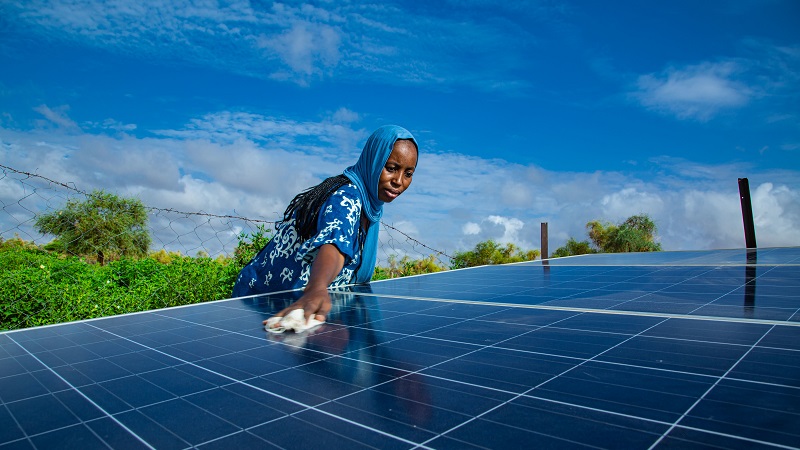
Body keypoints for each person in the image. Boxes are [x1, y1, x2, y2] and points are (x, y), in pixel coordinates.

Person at [232, 125, 419, 328]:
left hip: (298, 303)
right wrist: (318, 286)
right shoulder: (346, 198)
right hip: (260, 300)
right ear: (373, 160)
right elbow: (335, 244)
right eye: (391, 168)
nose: (399, 181)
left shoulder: (371, 206)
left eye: (408, 173)